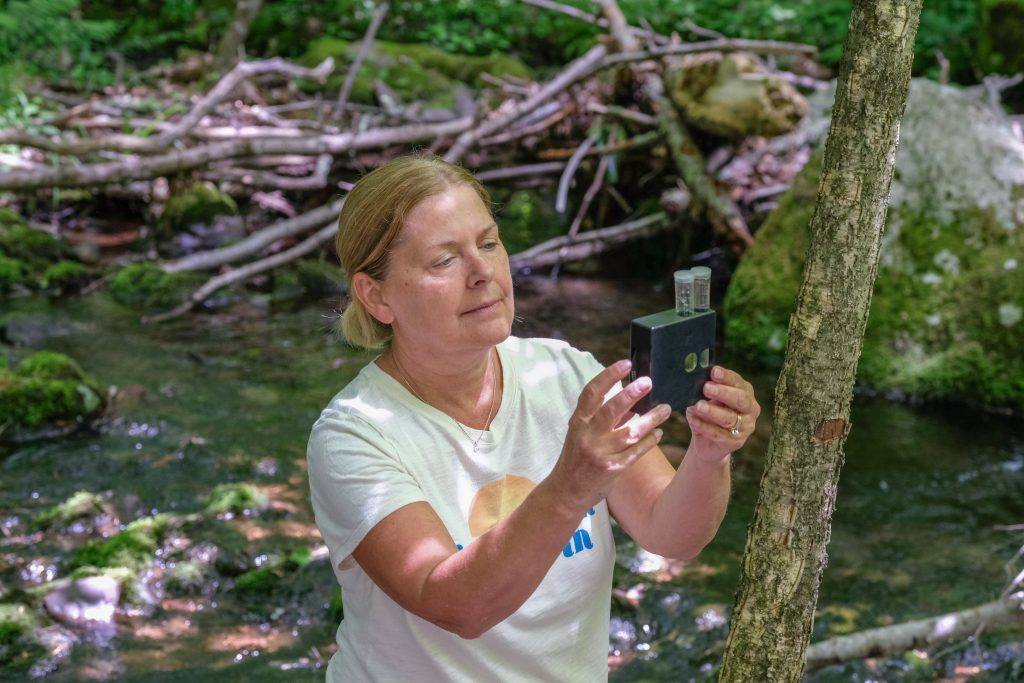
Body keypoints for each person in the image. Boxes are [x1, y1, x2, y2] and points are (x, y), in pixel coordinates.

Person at [306, 154, 759, 682]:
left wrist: (710, 454)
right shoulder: (353, 435)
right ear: (376, 296)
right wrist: (571, 485)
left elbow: (672, 534)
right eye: (443, 261)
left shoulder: (565, 375)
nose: (483, 273)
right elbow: (456, 605)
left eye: (489, 242)